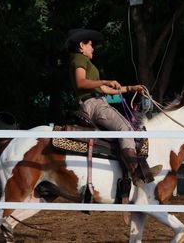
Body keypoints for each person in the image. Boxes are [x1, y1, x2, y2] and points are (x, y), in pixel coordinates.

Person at [66, 28, 162, 187]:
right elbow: (81, 82)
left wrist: (130, 88)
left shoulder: (84, 62)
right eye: (90, 45)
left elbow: (105, 90)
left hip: (95, 101)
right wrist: (104, 81)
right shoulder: (79, 59)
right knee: (125, 128)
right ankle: (135, 172)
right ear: (81, 46)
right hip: (94, 104)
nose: (93, 48)